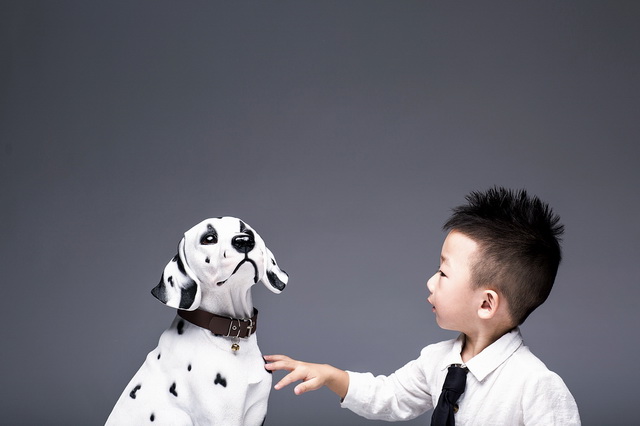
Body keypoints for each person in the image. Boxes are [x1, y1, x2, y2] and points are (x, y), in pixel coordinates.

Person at [265, 187, 580, 425]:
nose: (430, 282)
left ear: (486, 303)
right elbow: (389, 396)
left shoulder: (535, 385)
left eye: (443, 273)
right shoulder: (438, 361)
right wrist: (330, 375)